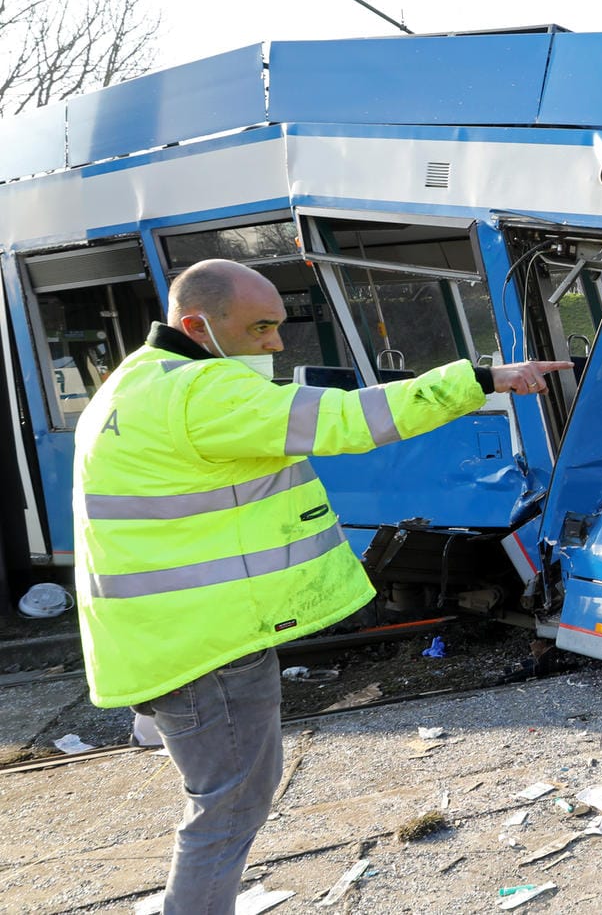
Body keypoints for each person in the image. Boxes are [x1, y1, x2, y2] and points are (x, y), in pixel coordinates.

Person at [72, 259, 570, 914]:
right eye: (259, 328)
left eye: (279, 326)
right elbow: (348, 419)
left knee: (224, 797)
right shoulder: (202, 392)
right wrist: (479, 380)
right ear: (197, 326)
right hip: (208, 647)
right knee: (232, 804)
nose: (276, 344)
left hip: (158, 638)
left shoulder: (131, 384)